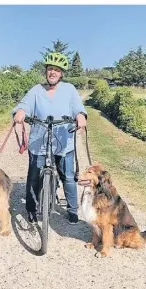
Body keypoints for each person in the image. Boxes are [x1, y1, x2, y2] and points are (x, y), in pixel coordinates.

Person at [12, 52, 87, 224]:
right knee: (33, 177)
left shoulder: (69, 89)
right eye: (50, 69)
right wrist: (21, 111)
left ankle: (72, 210)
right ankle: (31, 208)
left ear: (61, 74)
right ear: (46, 71)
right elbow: (25, 104)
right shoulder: (36, 90)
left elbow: (78, 107)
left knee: (68, 177)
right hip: (39, 142)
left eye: (56, 70)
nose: (52, 72)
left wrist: (81, 115)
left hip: (63, 141)